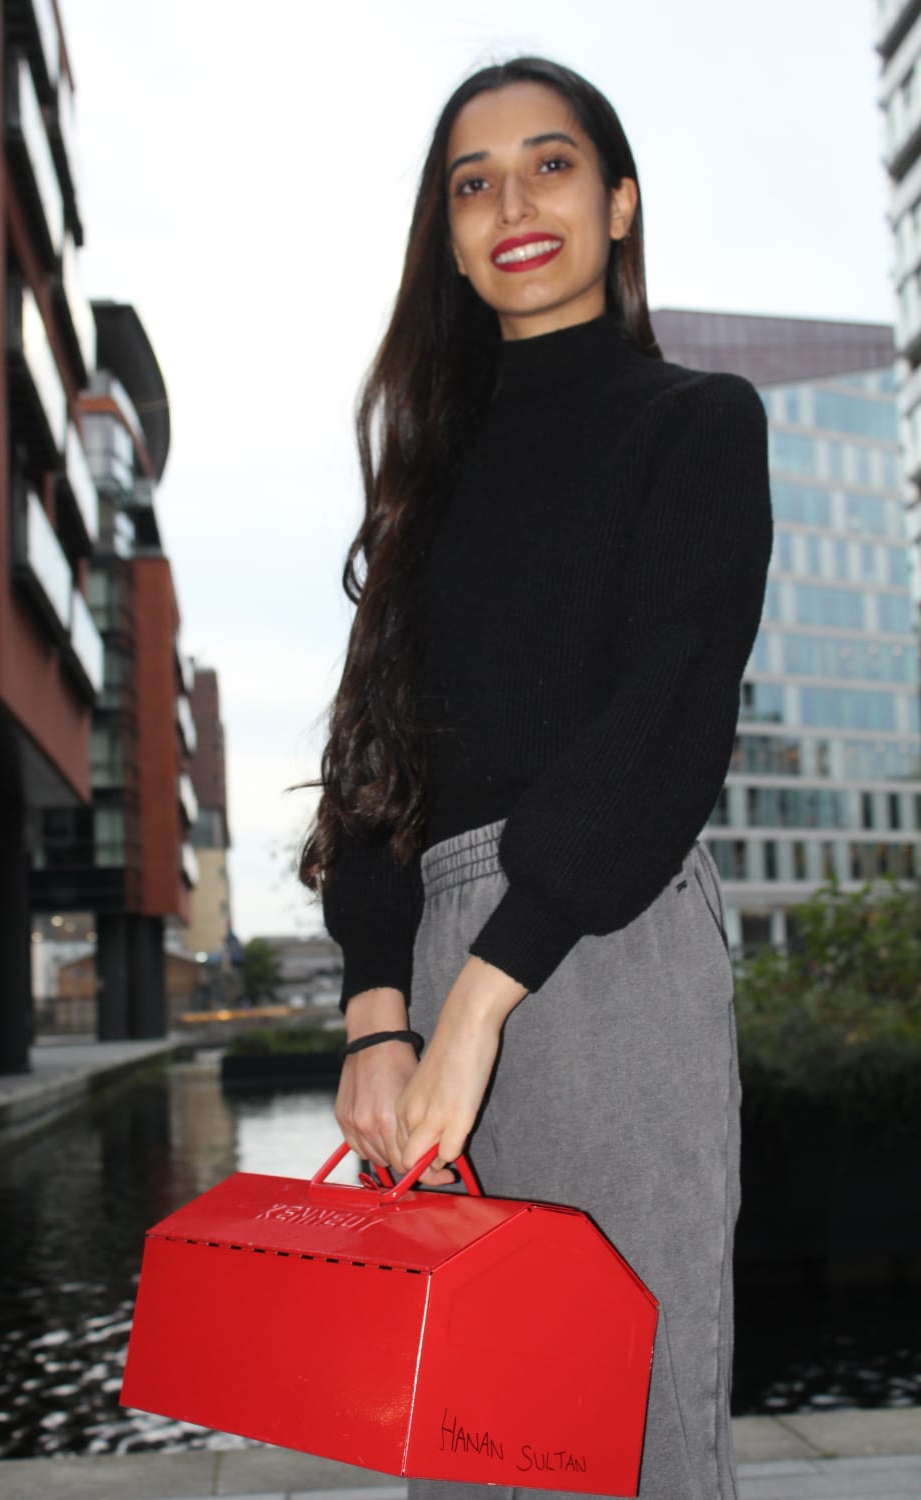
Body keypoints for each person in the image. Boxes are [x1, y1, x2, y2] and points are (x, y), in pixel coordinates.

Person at [300, 55, 772, 1500]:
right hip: (438, 954)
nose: (513, 203)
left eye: (550, 165)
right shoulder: (426, 477)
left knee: (622, 1431)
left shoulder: (698, 422)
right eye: (473, 182)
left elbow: (663, 720)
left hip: (604, 938)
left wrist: (475, 1008)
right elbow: (374, 756)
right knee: (464, 1447)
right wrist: (378, 1012)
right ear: (448, 237)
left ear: (619, 204)